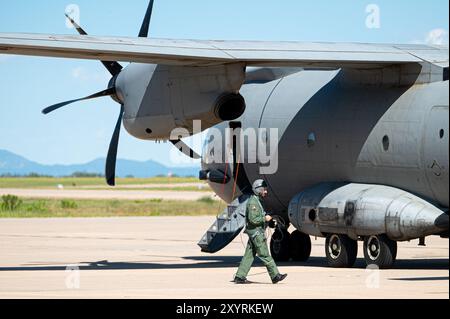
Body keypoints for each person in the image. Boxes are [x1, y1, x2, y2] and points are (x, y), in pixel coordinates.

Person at [234, 179, 288, 284]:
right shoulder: (253, 203)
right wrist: (265, 219)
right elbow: (253, 219)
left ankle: (239, 276)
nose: (266, 192)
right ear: (258, 190)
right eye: (264, 189)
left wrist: (268, 220)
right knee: (265, 255)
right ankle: (275, 275)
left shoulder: (257, 201)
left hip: (255, 232)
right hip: (256, 233)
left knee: (249, 256)